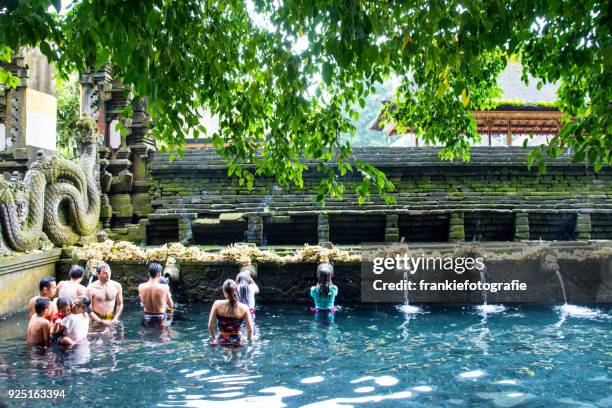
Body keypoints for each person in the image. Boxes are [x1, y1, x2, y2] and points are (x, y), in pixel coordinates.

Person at [208, 279, 254, 347]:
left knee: (225, 355)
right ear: (236, 291)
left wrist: (214, 340)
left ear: (224, 292)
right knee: (237, 356)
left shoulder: (217, 304)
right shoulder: (244, 308)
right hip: (238, 342)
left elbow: (210, 326)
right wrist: (248, 342)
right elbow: (250, 330)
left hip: (223, 340)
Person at [138, 262, 174, 327]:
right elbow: (170, 305)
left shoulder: (141, 286)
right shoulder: (165, 287)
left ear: (148, 273)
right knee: (165, 335)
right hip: (160, 317)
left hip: (147, 316)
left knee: (144, 335)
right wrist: (170, 315)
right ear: (159, 274)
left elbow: (142, 301)